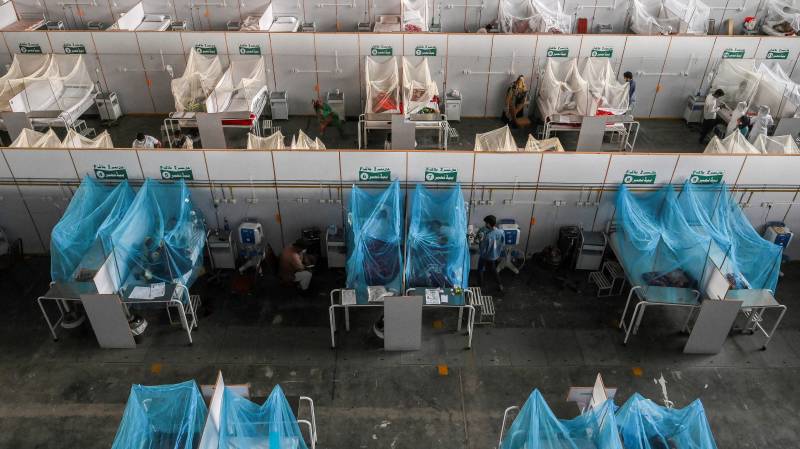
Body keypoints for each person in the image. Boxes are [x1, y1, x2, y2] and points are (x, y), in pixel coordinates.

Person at [477, 215, 505, 292]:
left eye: (486, 223)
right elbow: (502, 243)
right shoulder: (500, 231)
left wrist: (480, 240)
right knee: (493, 270)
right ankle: (500, 285)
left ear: (488, 224)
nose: (485, 225)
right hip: (495, 255)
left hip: (486, 256)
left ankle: (480, 286)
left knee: (480, 269)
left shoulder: (488, 236)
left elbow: (483, 248)